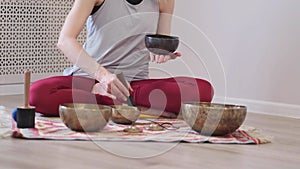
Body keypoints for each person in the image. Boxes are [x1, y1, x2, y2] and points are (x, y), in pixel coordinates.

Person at [30, 0, 214, 117]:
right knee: (38, 93)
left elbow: (158, 44)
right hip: (90, 79)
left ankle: (117, 101)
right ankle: (112, 101)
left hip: (133, 85)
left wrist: (162, 53)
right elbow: (65, 40)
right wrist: (103, 77)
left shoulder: (164, 1)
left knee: (203, 90)